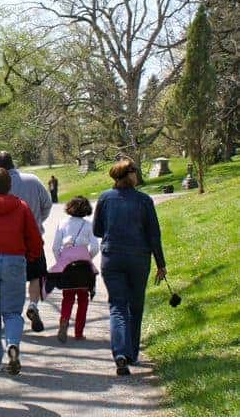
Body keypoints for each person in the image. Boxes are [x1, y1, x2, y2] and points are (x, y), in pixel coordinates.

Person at [93, 159, 167, 376]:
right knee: (135, 306)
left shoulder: (105, 198)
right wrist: (160, 264)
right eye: (135, 171)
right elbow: (154, 235)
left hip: (112, 258)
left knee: (117, 306)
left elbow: (97, 230)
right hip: (138, 258)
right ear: (130, 174)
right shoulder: (144, 201)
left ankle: (120, 354)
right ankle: (132, 353)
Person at [0, 167, 43, 375]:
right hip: (15, 260)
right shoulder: (22, 208)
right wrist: (31, 256)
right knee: (13, 311)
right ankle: (12, 343)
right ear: (9, 185)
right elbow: (34, 238)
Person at [0, 151, 52, 332]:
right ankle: (33, 304)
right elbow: (47, 204)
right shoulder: (32, 180)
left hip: (6, 243)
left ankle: (10, 316)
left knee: (7, 280)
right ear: (13, 162)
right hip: (32, 239)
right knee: (35, 275)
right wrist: (38, 220)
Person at [51, 196, 99, 342]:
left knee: (68, 298)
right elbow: (95, 247)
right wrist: (88, 257)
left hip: (68, 266)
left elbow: (55, 247)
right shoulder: (88, 225)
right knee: (83, 300)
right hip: (84, 267)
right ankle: (79, 332)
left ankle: (64, 321)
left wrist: (61, 261)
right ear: (86, 209)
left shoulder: (62, 223)